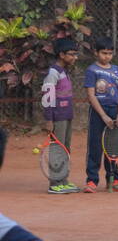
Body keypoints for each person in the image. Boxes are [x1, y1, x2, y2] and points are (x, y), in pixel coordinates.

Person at [82, 36, 118, 193]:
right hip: (98, 112)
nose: (107, 56)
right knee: (95, 146)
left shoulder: (116, 70)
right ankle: (92, 180)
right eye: (104, 53)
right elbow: (91, 95)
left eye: (110, 53)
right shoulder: (91, 70)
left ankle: (114, 179)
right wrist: (103, 115)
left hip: (115, 111)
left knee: (113, 147)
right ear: (96, 53)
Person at [41, 38, 80, 194]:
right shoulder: (53, 73)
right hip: (57, 118)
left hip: (66, 115)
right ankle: (55, 183)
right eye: (72, 54)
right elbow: (47, 98)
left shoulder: (64, 71)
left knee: (65, 148)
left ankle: (63, 180)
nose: (75, 57)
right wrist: (49, 119)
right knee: (57, 149)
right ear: (61, 55)